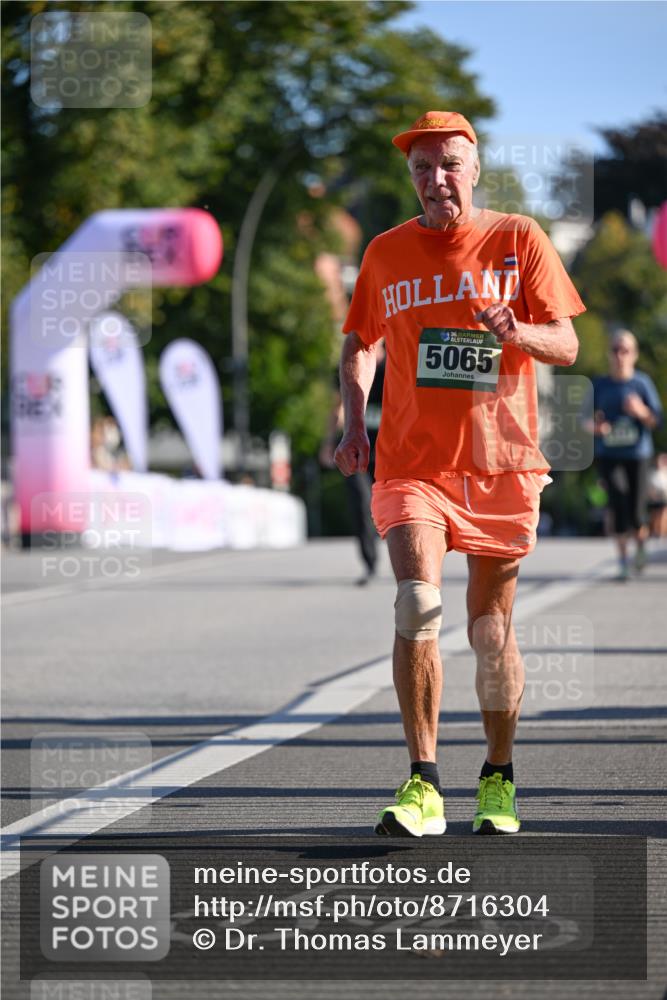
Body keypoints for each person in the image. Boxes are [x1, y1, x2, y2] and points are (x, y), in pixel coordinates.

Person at [334, 111, 585, 836]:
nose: (434, 179)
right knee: (416, 602)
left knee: (488, 631)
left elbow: (566, 343)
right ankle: (422, 781)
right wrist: (354, 420)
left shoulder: (517, 240)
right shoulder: (384, 253)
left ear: (473, 169)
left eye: (448, 164)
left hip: (501, 462)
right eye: (421, 168)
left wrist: (516, 331)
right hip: (413, 464)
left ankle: (497, 775)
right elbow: (359, 343)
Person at [589, 330, 662, 580]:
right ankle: (622, 561)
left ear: (634, 354)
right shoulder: (600, 385)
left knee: (635, 512)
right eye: (616, 350)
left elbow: (656, 421)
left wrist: (640, 411)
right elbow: (584, 420)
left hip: (638, 455)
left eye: (626, 350)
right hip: (609, 454)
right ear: (610, 354)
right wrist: (596, 427)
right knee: (617, 502)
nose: (620, 356)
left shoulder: (642, 383)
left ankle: (640, 546)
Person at [321, 344, 385, 584]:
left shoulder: (395, 365)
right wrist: (329, 443)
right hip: (358, 451)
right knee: (360, 503)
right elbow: (338, 407)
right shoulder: (352, 365)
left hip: (392, 451)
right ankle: (370, 563)